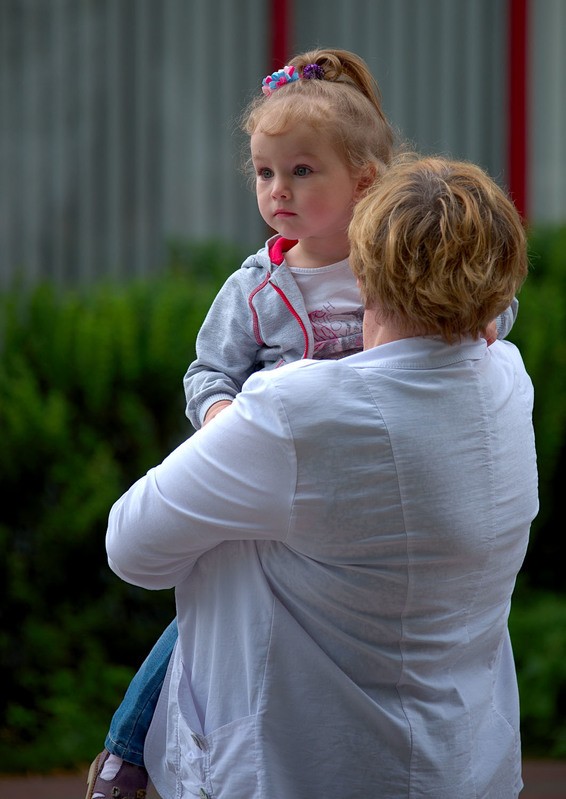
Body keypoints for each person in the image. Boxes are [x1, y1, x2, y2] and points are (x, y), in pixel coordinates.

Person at [89, 50, 522, 798]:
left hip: (299, 483)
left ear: (365, 185)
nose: (277, 192)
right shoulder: (261, 287)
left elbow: (133, 545)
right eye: (264, 173)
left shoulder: (377, 280)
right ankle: (125, 746)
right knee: (192, 612)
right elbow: (210, 371)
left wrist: (486, 318)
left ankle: (125, 754)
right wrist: (223, 418)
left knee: (206, 586)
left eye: (300, 172)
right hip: (286, 483)